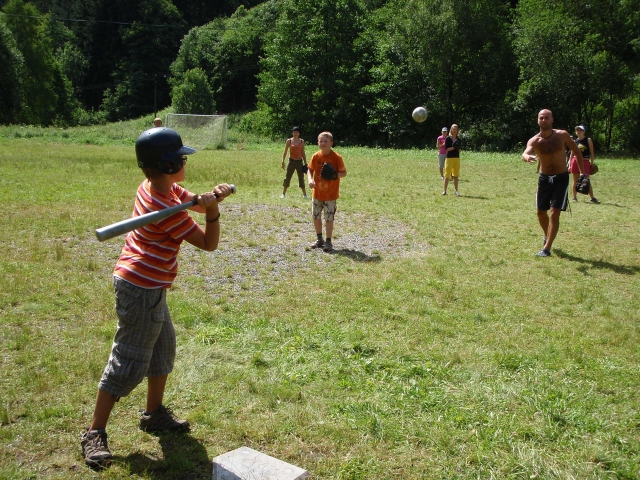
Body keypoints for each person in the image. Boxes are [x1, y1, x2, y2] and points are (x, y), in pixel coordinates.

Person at [80, 127, 233, 467]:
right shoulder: (167, 211)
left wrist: (210, 198)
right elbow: (208, 243)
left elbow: (189, 198)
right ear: (167, 166)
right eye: (181, 159)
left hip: (148, 286)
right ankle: (94, 432)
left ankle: (153, 414)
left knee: (163, 350)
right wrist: (212, 213)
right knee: (129, 360)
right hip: (140, 288)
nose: (185, 162)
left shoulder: (153, 187)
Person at [522, 109, 585, 257]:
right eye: (541, 118)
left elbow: (577, 151)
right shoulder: (534, 140)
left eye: (546, 118)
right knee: (540, 212)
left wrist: (583, 173)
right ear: (538, 120)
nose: (544, 120)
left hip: (561, 178)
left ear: (552, 120)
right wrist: (527, 157)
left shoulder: (562, 135)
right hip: (544, 179)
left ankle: (547, 248)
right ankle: (547, 235)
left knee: (554, 213)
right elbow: (525, 152)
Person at [307, 131, 347, 253]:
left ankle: (328, 241)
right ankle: (319, 239)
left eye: (326, 141)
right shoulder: (316, 156)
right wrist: (310, 180)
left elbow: (344, 173)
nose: (323, 143)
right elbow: (309, 169)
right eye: (321, 141)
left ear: (331, 143)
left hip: (330, 194)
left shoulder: (336, 157)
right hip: (317, 193)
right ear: (318, 143)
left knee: (329, 218)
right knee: (316, 216)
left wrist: (335, 175)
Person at [570, 124, 599, 203]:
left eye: (580, 130)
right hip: (575, 161)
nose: (579, 131)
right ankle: (574, 197)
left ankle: (592, 198)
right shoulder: (574, 141)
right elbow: (572, 154)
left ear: (584, 132)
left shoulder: (588, 140)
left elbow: (592, 152)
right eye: (577, 130)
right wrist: (569, 164)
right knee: (575, 180)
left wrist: (592, 163)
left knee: (586, 180)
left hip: (585, 161)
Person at [281, 126, 308, 198]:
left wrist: (305, 162)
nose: (295, 134)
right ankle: (283, 194)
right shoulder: (289, 141)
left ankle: (305, 195)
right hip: (291, 161)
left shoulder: (301, 141)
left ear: (299, 133)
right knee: (288, 177)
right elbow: (285, 151)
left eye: (297, 132)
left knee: (301, 178)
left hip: (299, 162)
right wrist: (282, 161)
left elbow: (303, 152)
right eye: (294, 132)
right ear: (292, 133)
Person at [443, 124, 461, 196]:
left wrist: (458, 148)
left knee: (456, 175)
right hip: (449, 158)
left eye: (456, 129)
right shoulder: (448, 138)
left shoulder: (458, 139)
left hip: (456, 158)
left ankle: (456, 191)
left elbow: (459, 150)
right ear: (451, 130)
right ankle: (444, 191)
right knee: (447, 175)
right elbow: (446, 149)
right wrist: (454, 147)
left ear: (457, 130)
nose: (454, 131)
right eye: (453, 129)